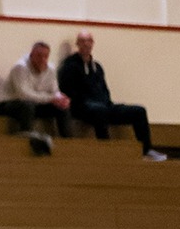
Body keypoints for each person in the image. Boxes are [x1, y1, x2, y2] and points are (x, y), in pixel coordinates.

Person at [59, 32, 164, 160]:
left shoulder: (97, 67)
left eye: (89, 41)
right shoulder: (69, 66)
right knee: (99, 110)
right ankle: (107, 150)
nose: (86, 44)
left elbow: (104, 90)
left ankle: (146, 150)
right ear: (77, 44)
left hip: (104, 106)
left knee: (139, 111)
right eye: (83, 41)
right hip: (82, 108)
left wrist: (107, 103)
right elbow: (70, 93)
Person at [0, 42, 70, 139]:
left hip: (35, 105)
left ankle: (68, 140)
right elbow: (24, 95)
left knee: (62, 107)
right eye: (39, 56)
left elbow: (54, 91)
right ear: (31, 55)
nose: (42, 59)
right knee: (27, 105)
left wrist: (61, 99)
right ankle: (26, 137)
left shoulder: (51, 69)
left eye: (45, 56)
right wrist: (51, 98)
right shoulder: (20, 67)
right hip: (9, 104)